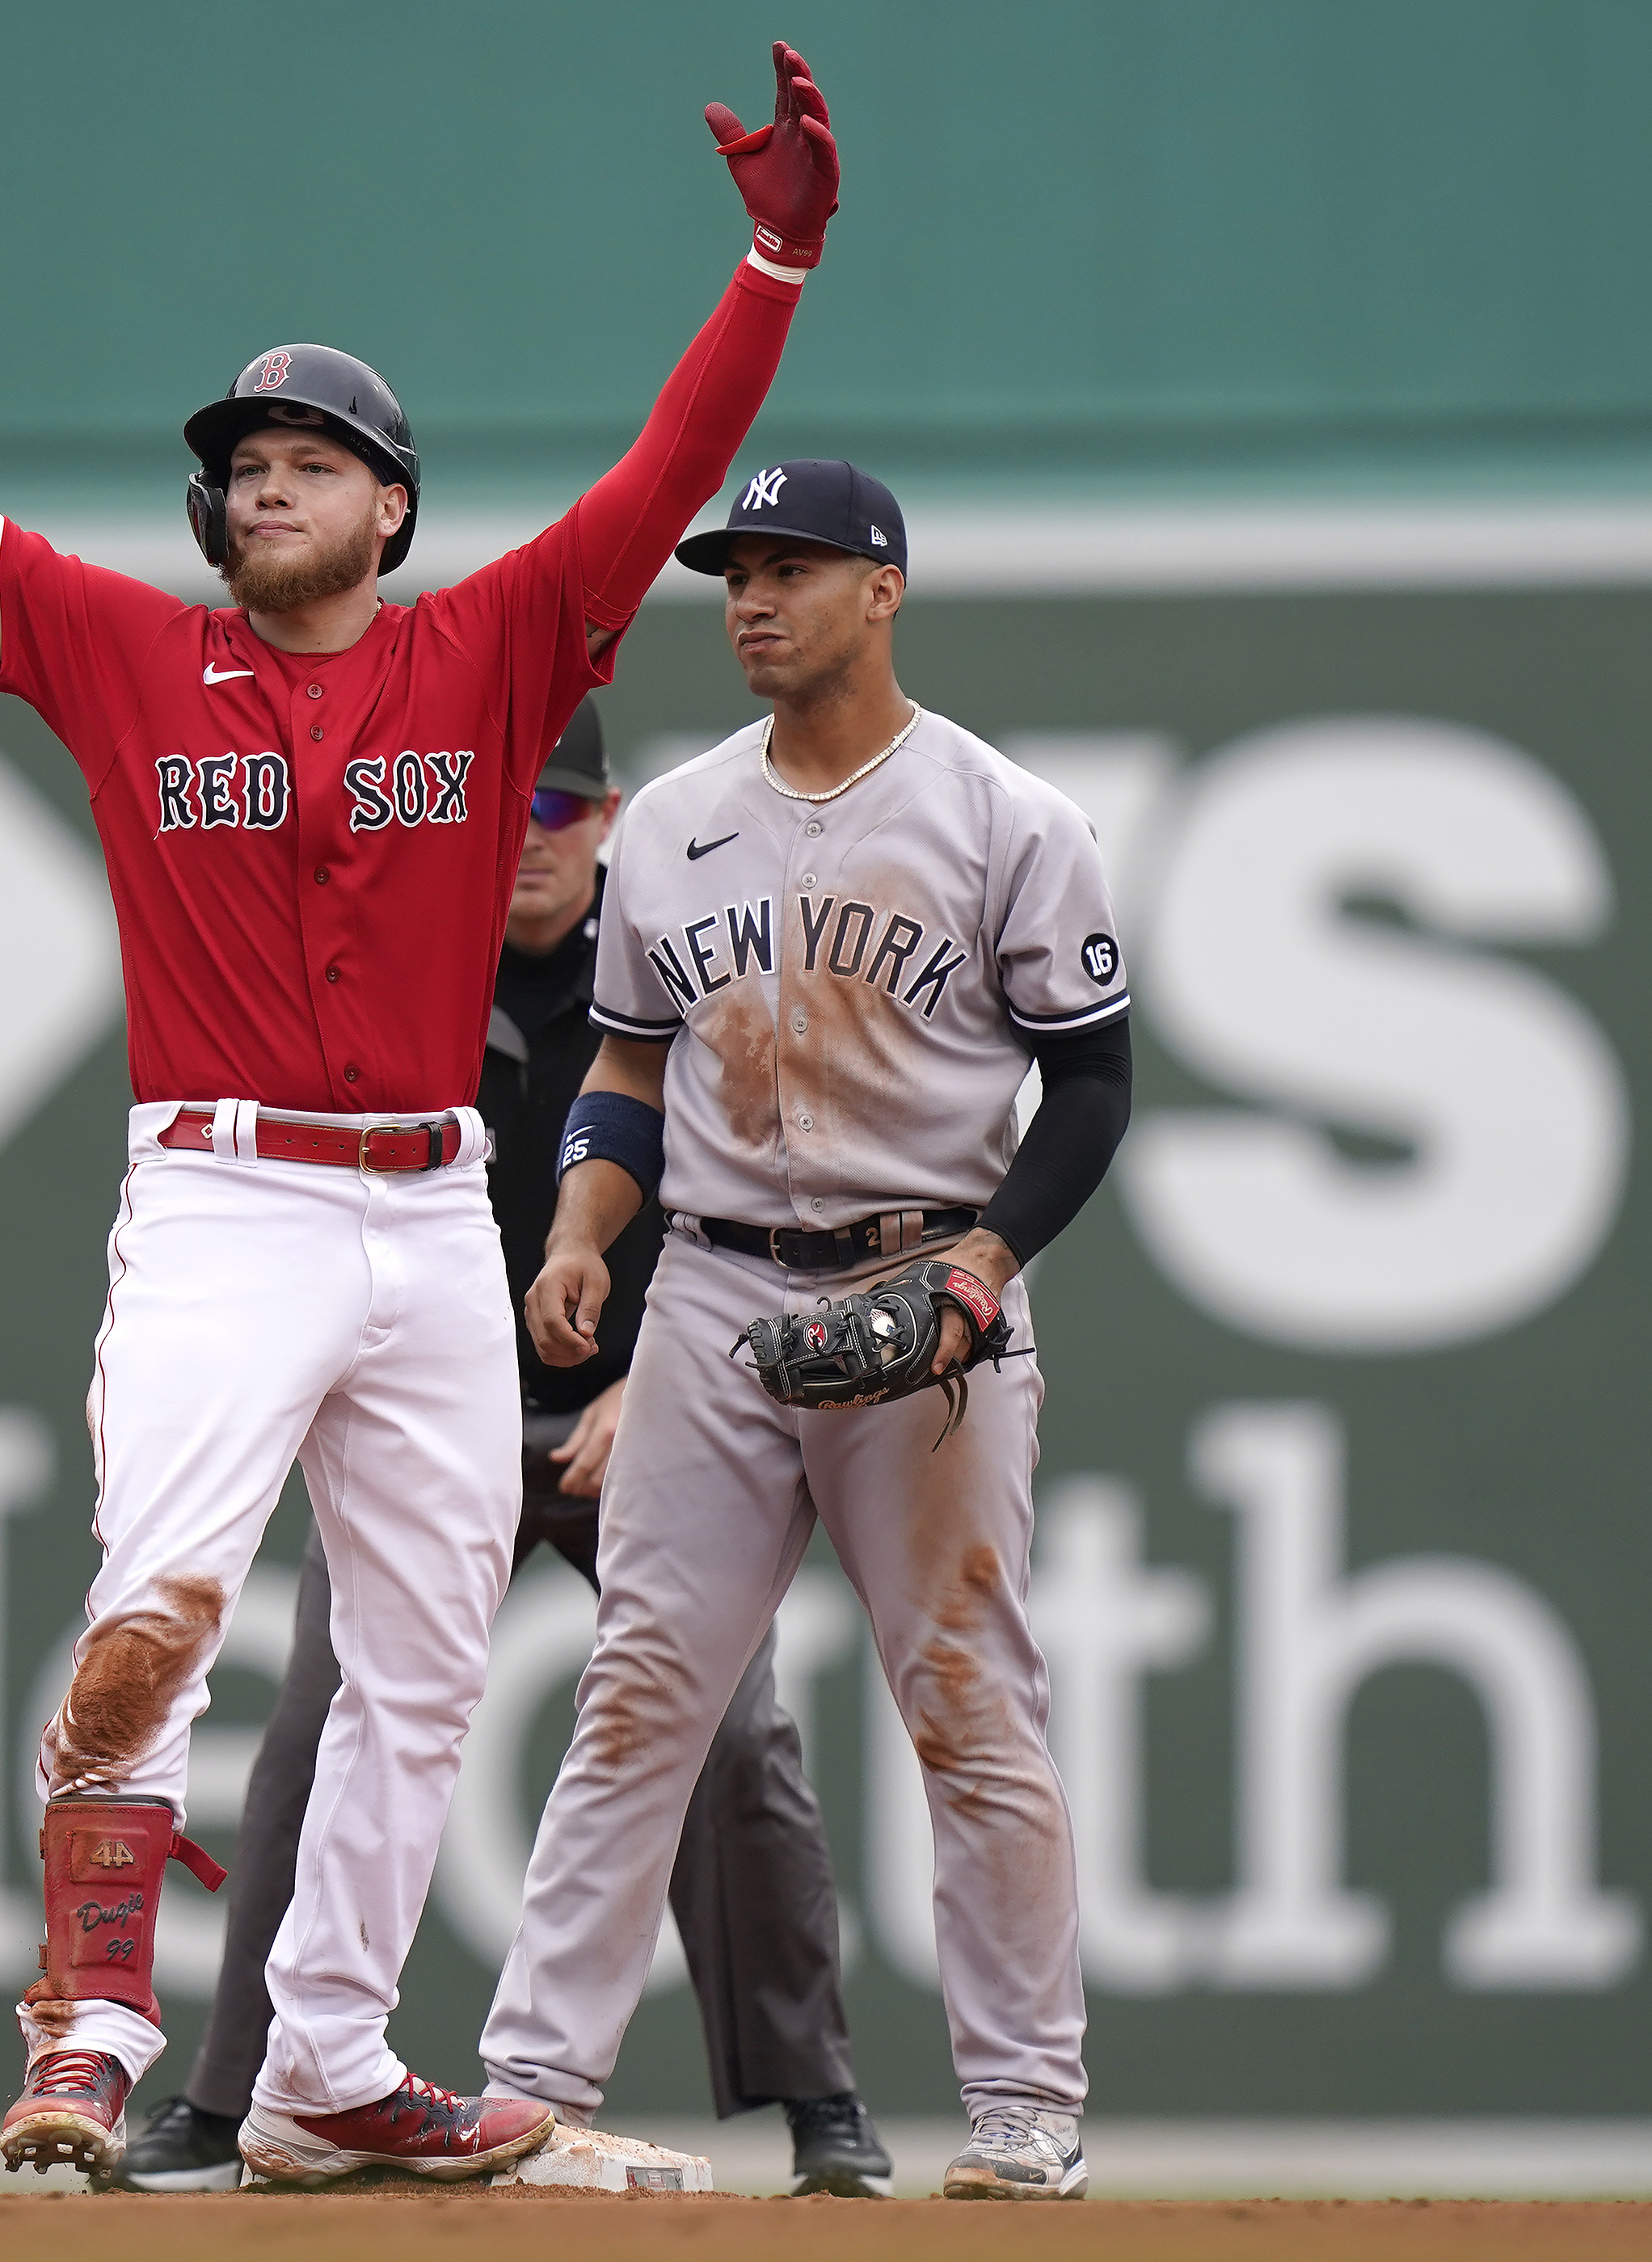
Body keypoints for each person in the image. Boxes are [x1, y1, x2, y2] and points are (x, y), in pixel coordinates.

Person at [0, 47, 842, 2188]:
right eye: (246, 461)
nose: (266, 481)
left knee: (419, 1656)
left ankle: (325, 2069)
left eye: (313, 458)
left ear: (394, 505)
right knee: (162, 1603)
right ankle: (93, 2029)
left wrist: (771, 259)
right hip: (226, 1202)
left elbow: (670, 479)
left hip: (431, 1218)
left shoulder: (491, 651)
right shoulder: (127, 653)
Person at [113, 701, 895, 2198]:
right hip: (430, 1416)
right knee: (314, 1723)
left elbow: (767, 1207)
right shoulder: (402, 969)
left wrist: (668, 1379)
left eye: (560, 815)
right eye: (508, 813)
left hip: (640, 1416)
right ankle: (229, 2101)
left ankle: (820, 2106)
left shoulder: (687, 968)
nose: (530, 844)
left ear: (604, 825)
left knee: (734, 1737)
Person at [475, 460, 1134, 2201]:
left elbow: (1091, 1080)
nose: (753, 596)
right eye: (736, 571)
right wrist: (580, 1231)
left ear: (884, 588)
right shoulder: (680, 818)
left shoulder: (1006, 818)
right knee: (642, 1683)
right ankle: (531, 2081)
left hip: (925, 1285)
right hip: (711, 1282)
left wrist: (993, 1260)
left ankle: (1021, 2106)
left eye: (793, 567)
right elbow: (626, 1062)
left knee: (965, 1687)